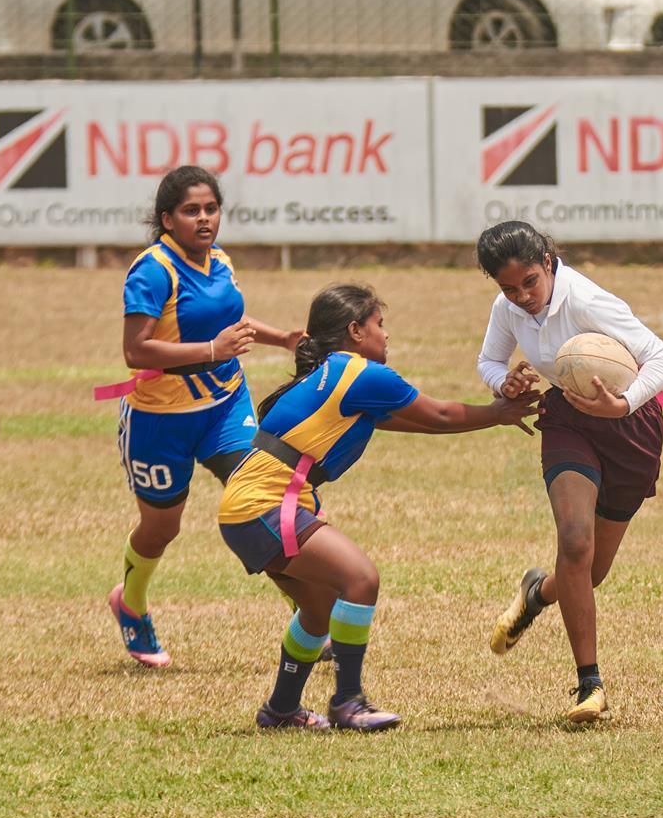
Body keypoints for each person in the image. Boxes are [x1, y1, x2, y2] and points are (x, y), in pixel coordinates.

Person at [218, 283, 537, 731]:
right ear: (355, 330)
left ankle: (281, 710)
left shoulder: (332, 374)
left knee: (317, 609)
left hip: (245, 505)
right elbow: (440, 414)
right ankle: (349, 702)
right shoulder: (362, 374)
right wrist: (499, 412)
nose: (386, 336)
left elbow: (417, 422)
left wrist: (497, 412)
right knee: (360, 580)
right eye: (379, 325)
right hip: (268, 504)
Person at [476, 221, 663, 724]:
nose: (522, 296)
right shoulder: (507, 309)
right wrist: (506, 382)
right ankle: (590, 684)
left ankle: (536, 594)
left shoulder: (589, 302)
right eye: (508, 287)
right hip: (567, 420)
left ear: (548, 262)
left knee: (588, 574)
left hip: (630, 427)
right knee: (574, 542)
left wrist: (624, 402)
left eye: (529, 281)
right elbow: (488, 360)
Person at [105, 165, 302, 668]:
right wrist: (213, 349)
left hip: (223, 407)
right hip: (159, 422)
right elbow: (136, 350)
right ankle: (130, 603)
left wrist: (281, 338)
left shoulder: (220, 260)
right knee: (160, 530)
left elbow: (231, 322)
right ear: (167, 219)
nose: (204, 218)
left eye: (211, 208)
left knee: (265, 498)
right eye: (191, 211)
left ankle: (307, 610)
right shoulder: (153, 270)